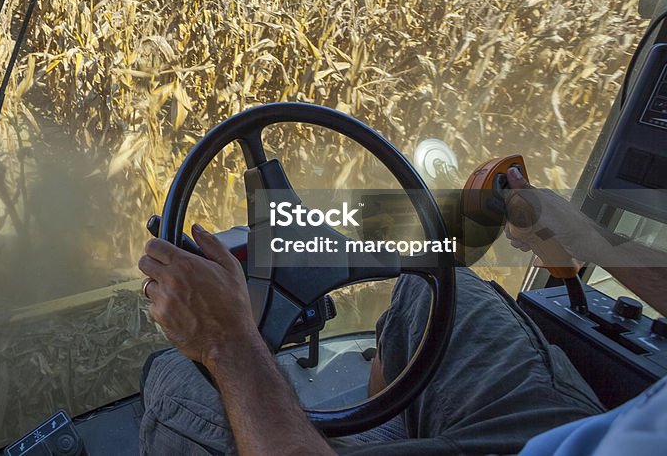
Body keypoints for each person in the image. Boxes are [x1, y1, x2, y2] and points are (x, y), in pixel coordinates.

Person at [137, 167, 667, 455]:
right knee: (438, 281)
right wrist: (588, 236)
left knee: (175, 379)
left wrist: (225, 342)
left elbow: (221, 349)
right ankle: (394, 428)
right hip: (597, 430)